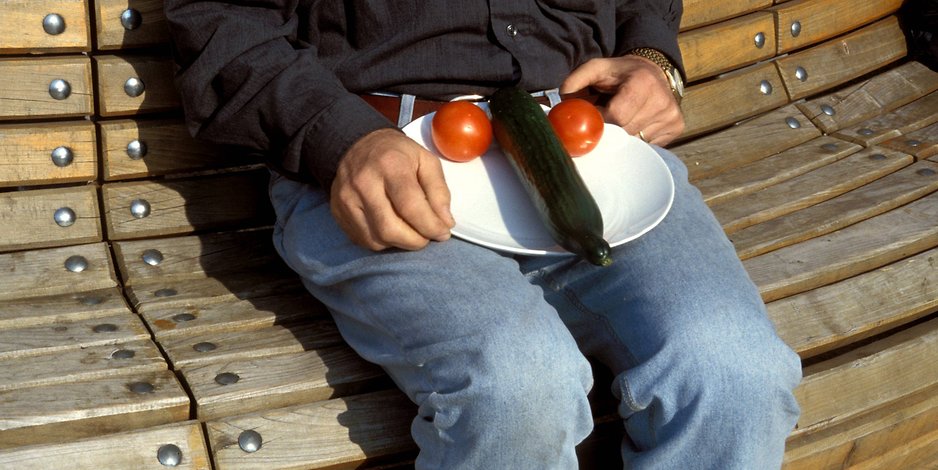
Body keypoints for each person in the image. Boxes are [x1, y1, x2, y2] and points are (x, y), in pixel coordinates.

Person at [165, 1, 802, 468]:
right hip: (382, 162)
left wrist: (652, 58)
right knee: (518, 383)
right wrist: (341, 138)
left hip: (592, 149)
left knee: (735, 371)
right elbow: (221, 19)